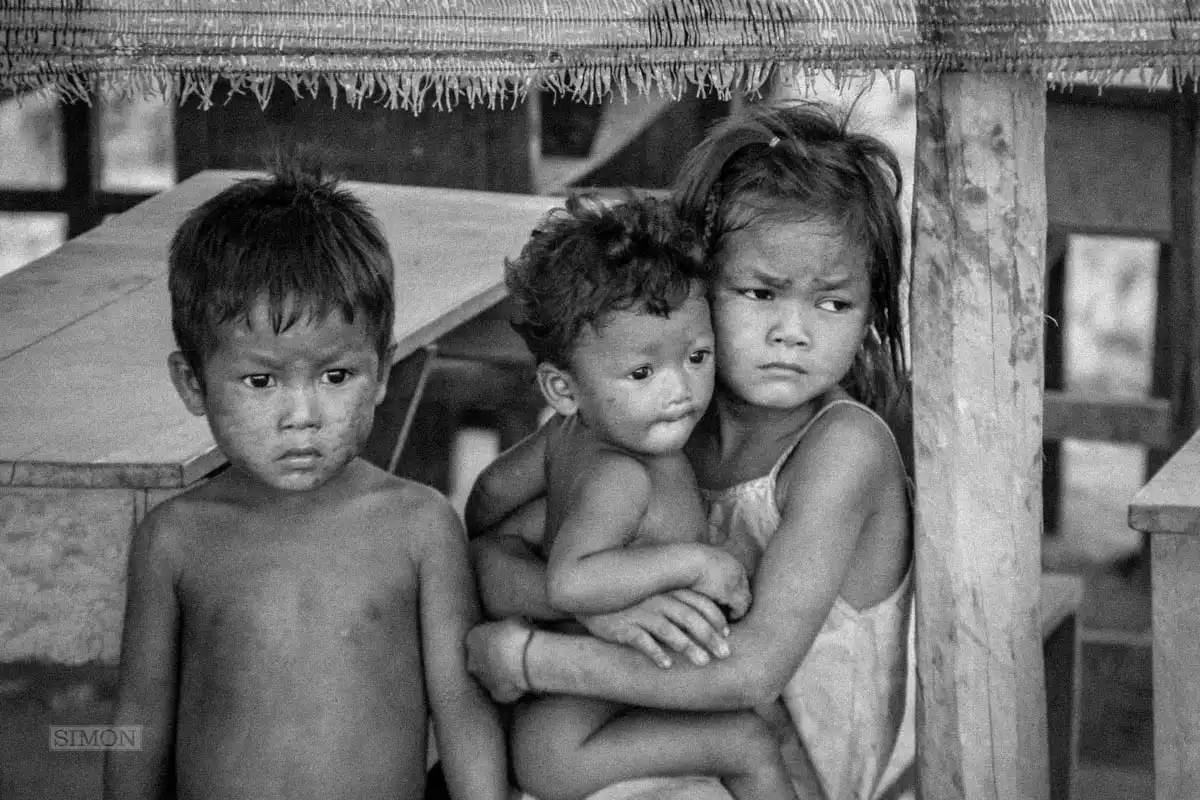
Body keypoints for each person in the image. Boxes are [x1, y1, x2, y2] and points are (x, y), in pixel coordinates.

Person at [465, 100, 914, 800]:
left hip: (781, 776)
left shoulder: (842, 451)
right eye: (760, 292)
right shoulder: (660, 421)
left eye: (834, 303)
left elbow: (752, 673)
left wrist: (534, 656)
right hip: (645, 739)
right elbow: (492, 547)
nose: (793, 332)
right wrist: (600, 608)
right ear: (697, 283)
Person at [103, 163, 508, 800]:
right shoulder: (174, 540)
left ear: (380, 373)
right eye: (261, 381)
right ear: (193, 385)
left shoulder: (419, 526)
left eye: (335, 376)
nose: (302, 417)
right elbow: (139, 720)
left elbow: (460, 706)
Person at [467, 191, 797, 800]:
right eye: (642, 373)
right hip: (573, 739)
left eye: (697, 357)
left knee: (751, 733)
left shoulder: (564, 433)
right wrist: (696, 562)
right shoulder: (626, 476)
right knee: (751, 742)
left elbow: (486, 496)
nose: (680, 390)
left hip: (572, 717)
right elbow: (571, 581)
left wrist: (545, 523)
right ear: (563, 388)